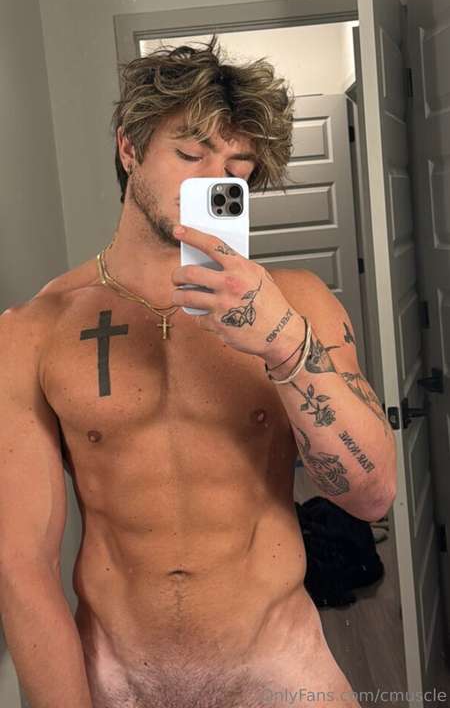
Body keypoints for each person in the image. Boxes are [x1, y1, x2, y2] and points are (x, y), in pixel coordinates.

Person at [0, 36, 396, 708]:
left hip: (282, 668)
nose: (212, 181)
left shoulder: (297, 304)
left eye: (236, 168)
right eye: (190, 155)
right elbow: (22, 568)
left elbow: (372, 496)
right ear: (129, 148)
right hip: (117, 680)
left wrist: (284, 346)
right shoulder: (34, 330)